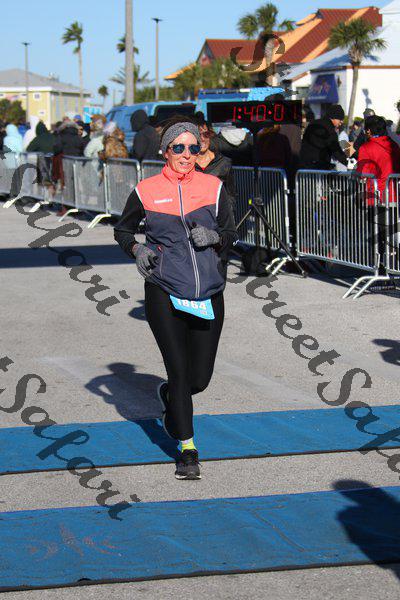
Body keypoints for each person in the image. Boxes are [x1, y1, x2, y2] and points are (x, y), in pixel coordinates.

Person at [114, 118, 238, 480]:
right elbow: (123, 230)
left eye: (193, 147)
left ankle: (169, 396)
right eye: (178, 147)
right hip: (164, 290)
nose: (186, 154)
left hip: (208, 292)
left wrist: (215, 237)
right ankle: (187, 449)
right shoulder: (146, 190)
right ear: (165, 151)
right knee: (180, 372)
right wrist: (137, 249)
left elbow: (231, 232)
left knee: (199, 379)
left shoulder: (214, 187)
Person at [357, 115, 400, 204]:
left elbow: (362, 173)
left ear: (369, 130)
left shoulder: (366, 148)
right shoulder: (394, 145)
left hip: (374, 196)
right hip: (393, 196)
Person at [194, 118, 236, 210]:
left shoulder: (224, 162)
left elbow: (230, 195)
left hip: (216, 214)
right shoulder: (186, 162)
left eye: (206, 134)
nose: (202, 139)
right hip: (193, 215)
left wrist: (228, 213)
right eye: (198, 135)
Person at [299, 104, 348, 170]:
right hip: (318, 167)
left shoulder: (313, 123)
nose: (341, 122)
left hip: (303, 166)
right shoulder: (330, 129)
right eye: (340, 119)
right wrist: (347, 163)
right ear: (333, 117)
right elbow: (336, 150)